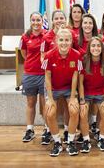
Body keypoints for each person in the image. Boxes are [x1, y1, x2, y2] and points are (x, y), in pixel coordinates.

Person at [42, 28, 82, 157]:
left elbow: (75, 77)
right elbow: (47, 78)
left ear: (71, 41)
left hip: (68, 89)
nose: (64, 43)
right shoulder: (48, 55)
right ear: (56, 41)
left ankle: (70, 142)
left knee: (74, 110)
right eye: (61, 40)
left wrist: (72, 97)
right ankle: (57, 142)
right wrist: (50, 98)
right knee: (49, 113)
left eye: (67, 40)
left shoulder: (77, 55)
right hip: (53, 89)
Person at [78, 36, 104, 152]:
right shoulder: (83, 61)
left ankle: (102, 139)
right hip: (87, 92)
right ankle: (86, 140)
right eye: (93, 46)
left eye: (98, 46)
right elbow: (80, 83)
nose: (96, 48)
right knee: (83, 114)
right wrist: (82, 101)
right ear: (89, 48)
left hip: (100, 93)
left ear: (102, 49)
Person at [40, 10, 70, 145]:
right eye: (56, 18)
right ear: (52, 21)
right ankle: (48, 130)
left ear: (65, 19)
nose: (59, 20)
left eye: (62, 18)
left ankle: (68, 130)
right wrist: (52, 67)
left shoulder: (69, 35)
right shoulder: (46, 37)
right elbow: (42, 57)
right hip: (51, 78)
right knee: (50, 108)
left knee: (67, 107)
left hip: (67, 80)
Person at [20, 12, 47, 142]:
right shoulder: (25, 37)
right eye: (33, 20)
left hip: (43, 75)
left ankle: (47, 129)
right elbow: (24, 53)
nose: (36, 23)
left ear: (42, 21)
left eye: (38, 20)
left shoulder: (47, 35)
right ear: (30, 21)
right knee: (31, 103)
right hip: (30, 74)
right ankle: (30, 129)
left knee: (45, 104)